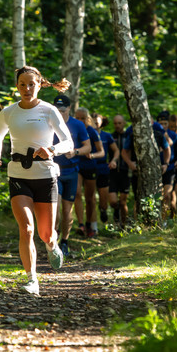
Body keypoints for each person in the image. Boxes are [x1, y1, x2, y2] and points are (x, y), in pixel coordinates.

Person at [0, 66, 74, 296]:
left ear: (39, 85)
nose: (27, 89)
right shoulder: (9, 112)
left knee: (46, 233)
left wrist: (52, 149)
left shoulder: (49, 111)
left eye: (31, 84)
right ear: (17, 87)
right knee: (26, 228)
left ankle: (52, 245)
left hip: (45, 176)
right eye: (22, 84)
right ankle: (32, 280)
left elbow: (68, 143)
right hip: (18, 175)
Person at [51, 95, 91, 257]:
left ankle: (65, 242)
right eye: (57, 110)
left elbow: (87, 147)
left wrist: (75, 152)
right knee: (55, 209)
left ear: (69, 109)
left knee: (67, 211)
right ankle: (53, 242)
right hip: (54, 172)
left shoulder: (78, 125)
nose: (60, 113)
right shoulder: (48, 124)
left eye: (62, 110)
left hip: (71, 172)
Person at [121, 120, 170, 220]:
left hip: (155, 172)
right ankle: (138, 224)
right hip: (138, 172)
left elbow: (167, 149)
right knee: (138, 198)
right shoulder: (133, 135)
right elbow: (124, 152)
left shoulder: (159, 135)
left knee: (157, 197)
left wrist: (165, 164)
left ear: (152, 123)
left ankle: (159, 223)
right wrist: (130, 164)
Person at [74, 107, 104, 238]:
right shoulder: (72, 129)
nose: (80, 120)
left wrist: (92, 155)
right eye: (77, 118)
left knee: (90, 199)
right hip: (77, 165)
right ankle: (80, 224)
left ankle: (89, 224)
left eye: (82, 118)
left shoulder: (92, 131)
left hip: (90, 167)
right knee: (77, 193)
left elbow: (101, 151)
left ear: (87, 119)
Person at [157, 111, 177, 221]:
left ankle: (165, 222)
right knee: (158, 197)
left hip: (169, 168)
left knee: (167, 196)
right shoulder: (153, 133)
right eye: (161, 123)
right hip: (156, 169)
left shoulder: (172, 134)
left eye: (165, 123)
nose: (163, 126)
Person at [92, 113, 117, 227]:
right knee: (90, 197)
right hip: (89, 167)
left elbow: (116, 151)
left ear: (102, 122)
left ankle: (103, 210)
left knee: (103, 197)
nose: (95, 124)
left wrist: (113, 161)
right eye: (93, 122)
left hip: (103, 168)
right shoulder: (86, 134)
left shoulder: (107, 136)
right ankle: (92, 225)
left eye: (97, 122)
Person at [108, 115, 130, 225]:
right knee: (113, 201)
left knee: (123, 202)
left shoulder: (129, 136)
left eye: (119, 123)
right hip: (112, 173)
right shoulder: (111, 137)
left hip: (125, 172)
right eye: (115, 123)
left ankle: (124, 225)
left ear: (124, 123)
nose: (117, 125)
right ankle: (116, 212)